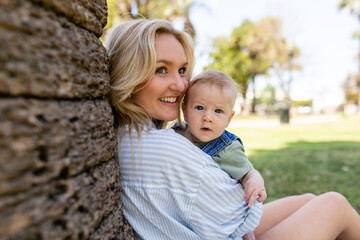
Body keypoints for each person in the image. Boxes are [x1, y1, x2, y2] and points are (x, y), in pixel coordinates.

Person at [107, 18, 360, 240]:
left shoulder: (131, 136)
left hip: (207, 228)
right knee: (334, 204)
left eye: (182, 70)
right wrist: (250, 178)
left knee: (308, 200)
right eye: (161, 70)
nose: (181, 84)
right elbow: (239, 213)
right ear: (129, 73)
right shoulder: (165, 149)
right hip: (226, 229)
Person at [173, 69, 266, 240]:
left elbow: (248, 173)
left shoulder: (227, 148)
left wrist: (254, 180)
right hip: (190, 214)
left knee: (244, 209)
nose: (208, 117)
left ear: (229, 118)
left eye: (218, 111)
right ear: (185, 110)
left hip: (226, 220)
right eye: (199, 108)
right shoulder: (175, 134)